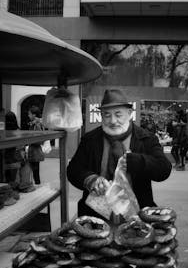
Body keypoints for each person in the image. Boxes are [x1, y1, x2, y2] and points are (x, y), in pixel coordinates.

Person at [67, 89, 172, 217]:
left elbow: (164, 169)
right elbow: (73, 170)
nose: (112, 121)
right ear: (101, 115)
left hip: (137, 214)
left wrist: (139, 161)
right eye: (107, 115)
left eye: (118, 114)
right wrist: (91, 180)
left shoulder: (146, 139)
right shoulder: (90, 140)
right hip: (96, 214)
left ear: (129, 113)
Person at [27, 105, 45, 185]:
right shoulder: (35, 123)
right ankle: (37, 185)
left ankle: (37, 186)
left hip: (35, 151)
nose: (28, 115)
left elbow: (39, 139)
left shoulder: (36, 124)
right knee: (35, 170)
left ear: (34, 115)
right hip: (34, 150)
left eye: (29, 114)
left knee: (35, 171)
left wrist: (29, 140)